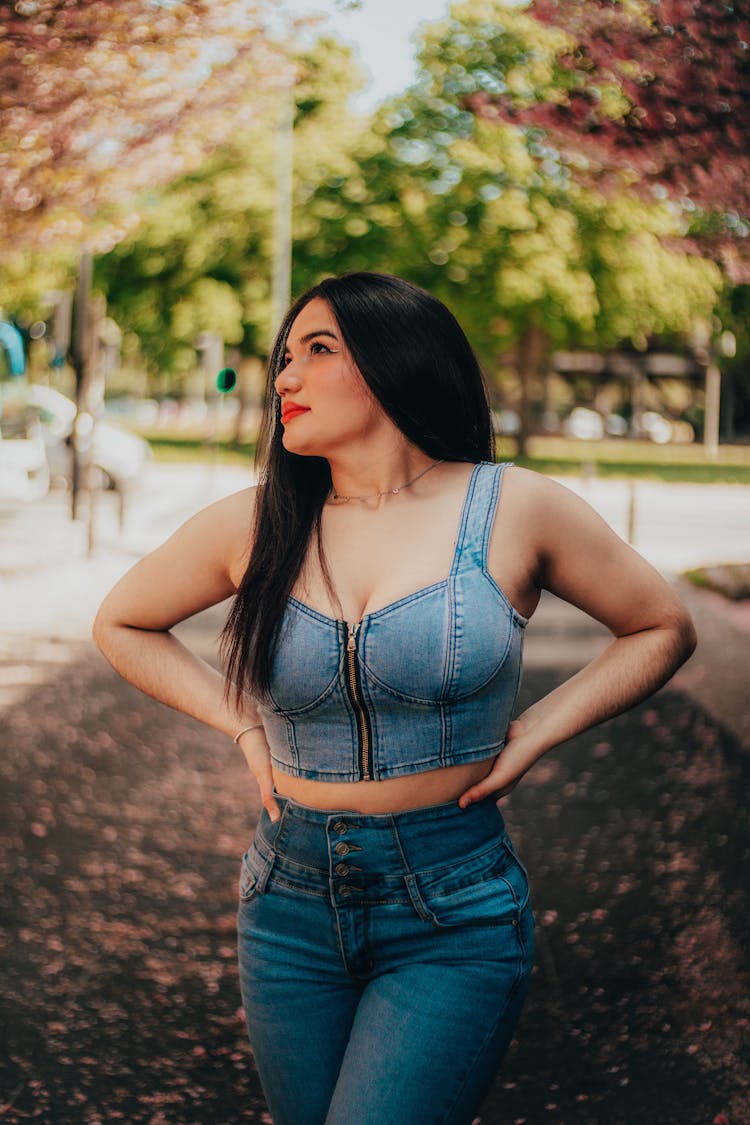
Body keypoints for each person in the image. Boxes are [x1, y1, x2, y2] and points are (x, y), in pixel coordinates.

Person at [93, 272, 696, 1125]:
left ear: (394, 361)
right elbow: (121, 621)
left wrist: (533, 734)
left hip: (453, 908)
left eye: (317, 350)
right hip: (287, 905)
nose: (283, 380)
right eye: (283, 359)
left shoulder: (512, 506)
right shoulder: (258, 521)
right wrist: (241, 727)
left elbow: (660, 625)